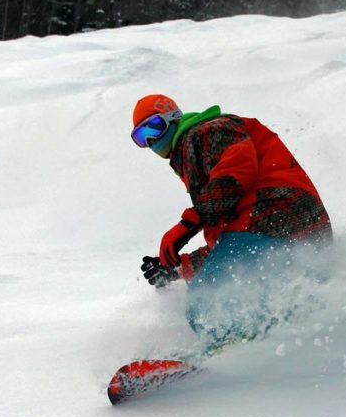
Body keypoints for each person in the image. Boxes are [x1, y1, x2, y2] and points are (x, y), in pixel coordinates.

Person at [130, 94, 332, 353]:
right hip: (290, 231)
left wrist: (188, 223)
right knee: (241, 288)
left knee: (207, 300)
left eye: (153, 128)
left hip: (276, 213)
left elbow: (236, 169)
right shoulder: (198, 162)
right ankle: (275, 341)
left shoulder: (205, 131)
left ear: (173, 119)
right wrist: (178, 270)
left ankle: (231, 352)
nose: (150, 141)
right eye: (140, 138)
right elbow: (230, 247)